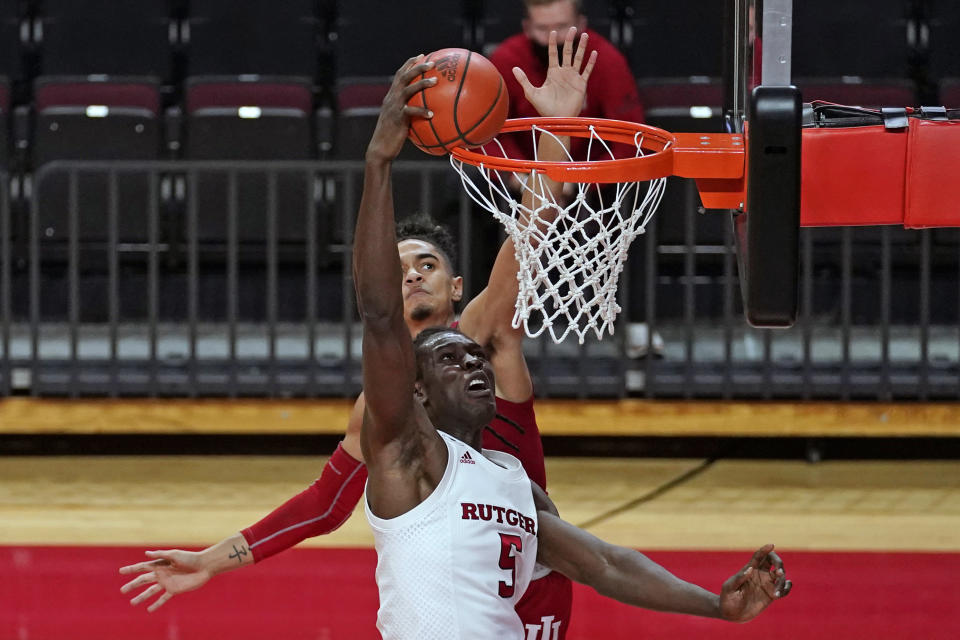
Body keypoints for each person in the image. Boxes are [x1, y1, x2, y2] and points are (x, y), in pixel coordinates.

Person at [119, 27, 598, 639]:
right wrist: (214, 559)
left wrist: (559, 125)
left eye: (428, 264)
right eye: (398, 268)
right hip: (444, 588)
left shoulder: (482, 341)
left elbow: (531, 232)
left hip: (526, 585)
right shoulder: (379, 406)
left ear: (456, 287)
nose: (414, 275)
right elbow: (324, 504)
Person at [353, 52, 790, 639]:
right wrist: (380, 159)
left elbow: (604, 563)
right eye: (451, 359)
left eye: (474, 353)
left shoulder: (508, 477)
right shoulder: (402, 447)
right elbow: (379, 317)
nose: (475, 360)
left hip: (531, 599)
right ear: (415, 393)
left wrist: (716, 606)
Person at [489, 0, 645, 162]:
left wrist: (584, 179)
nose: (553, 38)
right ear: (527, 28)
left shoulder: (606, 60)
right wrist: (519, 175)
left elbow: (630, 138)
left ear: (581, 23)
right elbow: (487, 132)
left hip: (593, 175)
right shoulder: (506, 59)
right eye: (542, 28)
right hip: (520, 173)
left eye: (562, 27)